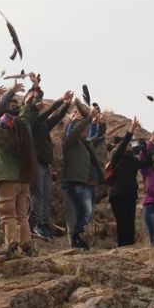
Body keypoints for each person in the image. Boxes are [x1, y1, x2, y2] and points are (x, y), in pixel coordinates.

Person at [0, 88, 38, 260]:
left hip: (8, 179)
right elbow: (24, 118)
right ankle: (26, 244)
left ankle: (10, 244)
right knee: (21, 214)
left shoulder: (2, 137)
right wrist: (27, 104)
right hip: (23, 179)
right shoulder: (21, 133)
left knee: (7, 213)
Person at [28, 75, 73, 239]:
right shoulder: (31, 122)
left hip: (45, 164)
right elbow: (43, 111)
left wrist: (67, 104)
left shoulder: (42, 125)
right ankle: (38, 224)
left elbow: (56, 117)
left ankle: (44, 224)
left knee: (45, 195)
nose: (40, 107)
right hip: (35, 163)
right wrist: (36, 87)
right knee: (37, 195)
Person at [60, 103, 104, 249]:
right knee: (85, 212)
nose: (85, 129)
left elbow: (97, 137)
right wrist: (84, 119)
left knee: (87, 215)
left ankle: (79, 241)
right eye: (82, 127)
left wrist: (100, 123)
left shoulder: (85, 144)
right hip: (76, 183)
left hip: (87, 183)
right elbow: (72, 133)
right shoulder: (69, 142)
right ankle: (76, 239)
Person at [105, 117, 151, 246]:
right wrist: (131, 131)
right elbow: (123, 145)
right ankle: (122, 246)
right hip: (118, 195)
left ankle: (129, 247)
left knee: (130, 223)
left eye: (131, 145)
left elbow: (147, 163)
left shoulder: (133, 160)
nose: (130, 146)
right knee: (122, 222)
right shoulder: (116, 157)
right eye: (128, 145)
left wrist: (145, 149)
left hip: (130, 195)